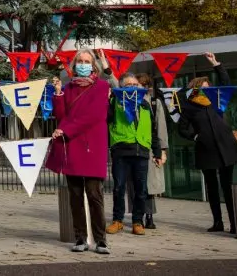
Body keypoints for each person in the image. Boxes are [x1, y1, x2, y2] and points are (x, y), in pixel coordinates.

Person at [45, 49, 111, 254]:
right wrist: (57, 94)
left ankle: (100, 240)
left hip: (92, 145)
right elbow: (62, 115)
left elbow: (95, 115)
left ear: (94, 65)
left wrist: (66, 129)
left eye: (87, 61)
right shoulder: (69, 87)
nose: (83, 64)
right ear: (74, 65)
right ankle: (80, 238)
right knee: (75, 196)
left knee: (94, 194)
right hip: (72, 145)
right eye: (80, 61)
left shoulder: (102, 86)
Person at [177, 52, 237, 234]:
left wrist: (215, 63)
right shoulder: (189, 105)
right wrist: (195, 137)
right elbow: (182, 128)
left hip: (225, 146)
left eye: (209, 87)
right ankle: (217, 222)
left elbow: (225, 82)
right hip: (206, 149)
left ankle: (235, 224)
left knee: (227, 186)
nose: (208, 90)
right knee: (212, 188)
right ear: (196, 89)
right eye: (204, 88)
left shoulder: (216, 100)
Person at [105, 73, 161, 236]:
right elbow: (106, 119)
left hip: (142, 150)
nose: (132, 87)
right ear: (121, 88)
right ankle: (118, 220)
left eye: (135, 85)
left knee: (141, 189)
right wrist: (107, 100)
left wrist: (157, 151)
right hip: (121, 149)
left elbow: (153, 128)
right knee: (119, 187)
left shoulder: (145, 104)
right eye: (128, 85)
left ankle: (138, 221)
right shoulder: (115, 101)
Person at [135, 73, 169, 229]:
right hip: (134, 147)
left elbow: (160, 127)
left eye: (141, 84)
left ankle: (148, 216)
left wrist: (162, 150)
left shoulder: (155, 103)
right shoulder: (129, 101)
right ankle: (138, 217)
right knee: (136, 184)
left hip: (150, 148)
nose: (138, 87)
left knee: (149, 185)